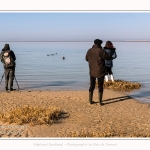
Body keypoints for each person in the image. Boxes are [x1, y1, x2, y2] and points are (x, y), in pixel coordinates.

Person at [85, 39, 113, 105]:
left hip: (92, 71)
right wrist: (110, 52)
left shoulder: (89, 50)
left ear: (94, 43)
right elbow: (108, 57)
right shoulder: (101, 51)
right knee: (100, 86)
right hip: (100, 71)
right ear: (100, 44)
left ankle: (90, 101)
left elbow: (86, 59)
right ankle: (100, 102)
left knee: (92, 85)